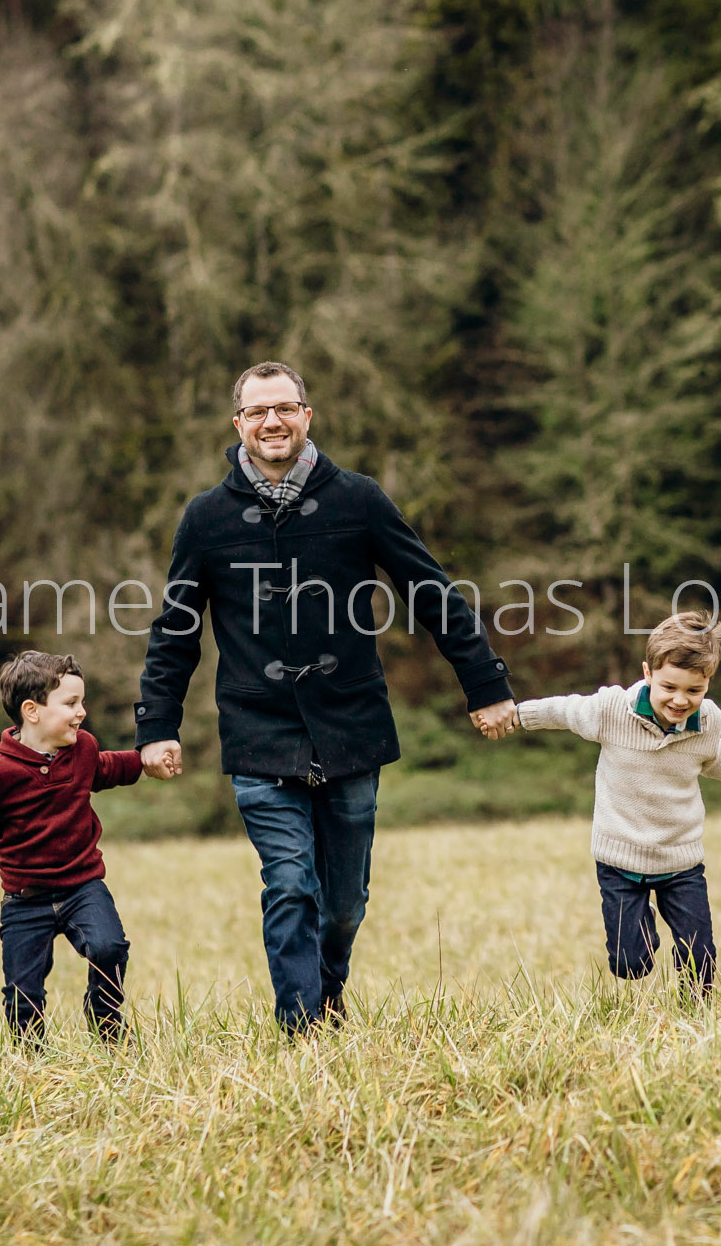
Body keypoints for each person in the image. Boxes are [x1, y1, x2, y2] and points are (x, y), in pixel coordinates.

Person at [135, 361, 518, 1033]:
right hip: (259, 730)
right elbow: (176, 630)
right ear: (238, 425)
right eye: (258, 412)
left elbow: (431, 594)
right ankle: (302, 1028)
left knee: (343, 905)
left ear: (307, 416)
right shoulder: (206, 518)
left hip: (350, 726)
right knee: (288, 885)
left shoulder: (358, 499)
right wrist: (157, 723)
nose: (272, 422)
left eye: (285, 408)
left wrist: (484, 683)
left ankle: (327, 991)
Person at [498, 612, 721, 998]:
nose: (680, 700)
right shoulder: (610, 711)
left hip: (680, 860)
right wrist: (516, 716)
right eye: (669, 686)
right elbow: (564, 711)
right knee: (630, 964)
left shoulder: (707, 721)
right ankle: (640, 925)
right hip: (620, 860)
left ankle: (697, 1014)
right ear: (648, 673)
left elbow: (717, 760)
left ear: (708, 684)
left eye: (694, 690)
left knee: (700, 958)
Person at [0, 651, 163, 1043]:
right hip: (25, 901)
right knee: (23, 998)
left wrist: (146, 760)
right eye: (71, 703)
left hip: (83, 887)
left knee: (109, 948)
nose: (82, 712)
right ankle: (31, 1062)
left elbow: (109, 768)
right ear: (32, 710)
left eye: (82, 702)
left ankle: (105, 1018)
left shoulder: (84, 750)